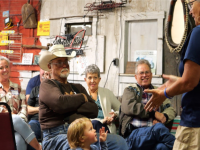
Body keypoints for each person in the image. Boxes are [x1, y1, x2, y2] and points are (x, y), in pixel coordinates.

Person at [39, 44, 128, 150]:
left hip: (81, 133)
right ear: (49, 66)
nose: (64, 65)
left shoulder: (77, 87)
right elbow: (60, 104)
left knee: (119, 142)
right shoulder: (47, 85)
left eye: (66, 62)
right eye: (59, 62)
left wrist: (69, 106)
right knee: (81, 148)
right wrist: (81, 98)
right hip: (55, 136)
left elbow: (93, 110)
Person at [144, 1, 200, 150]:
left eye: (191, 4)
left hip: (195, 124)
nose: (190, 12)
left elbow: (190, 82)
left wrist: (164, 94)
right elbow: (194, 79)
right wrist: (179, 80)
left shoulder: (198, 32)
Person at [120, 59, 176, 150]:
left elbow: (170, 109)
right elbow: (128, 106)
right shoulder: (130, 90)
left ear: (151, 75)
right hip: (133, 135)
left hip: (154, 134)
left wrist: (164, 117)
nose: (144, 75)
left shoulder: (159, 91)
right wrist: (153, 114)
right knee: (159, 129)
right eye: (141, 73)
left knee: (161, 147)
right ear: (136, 76)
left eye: (147, 72)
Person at [0, 56, 42, 150]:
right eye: (1, 68)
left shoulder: (18, 88)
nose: (5, 70)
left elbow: (24, 106)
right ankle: (39, 147)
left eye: (6, 66)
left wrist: (21, 120)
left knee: (19, 139)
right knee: (14, 119)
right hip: (2, 124)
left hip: (17, 126)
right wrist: (15, 118)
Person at [84, 64, 121, 134]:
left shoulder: (107, 93)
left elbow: (121, 109)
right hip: (88, 128)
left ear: (99, 79)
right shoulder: (82, 95)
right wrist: (101, 120)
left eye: (95, 77)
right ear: (85, 80)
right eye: (89, 78)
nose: (92, 81)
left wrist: (115, 115)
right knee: (94, 123)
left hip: (106, 127)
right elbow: (81, 118)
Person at [28, 71, 51, 141]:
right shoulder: (35, 90)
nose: (47, 77)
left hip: (52, 121)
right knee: (29, 134)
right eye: (46, 74)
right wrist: (40, 108)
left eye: (50, 75)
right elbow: (27, 109)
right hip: (36, 120)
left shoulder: (57, 90)